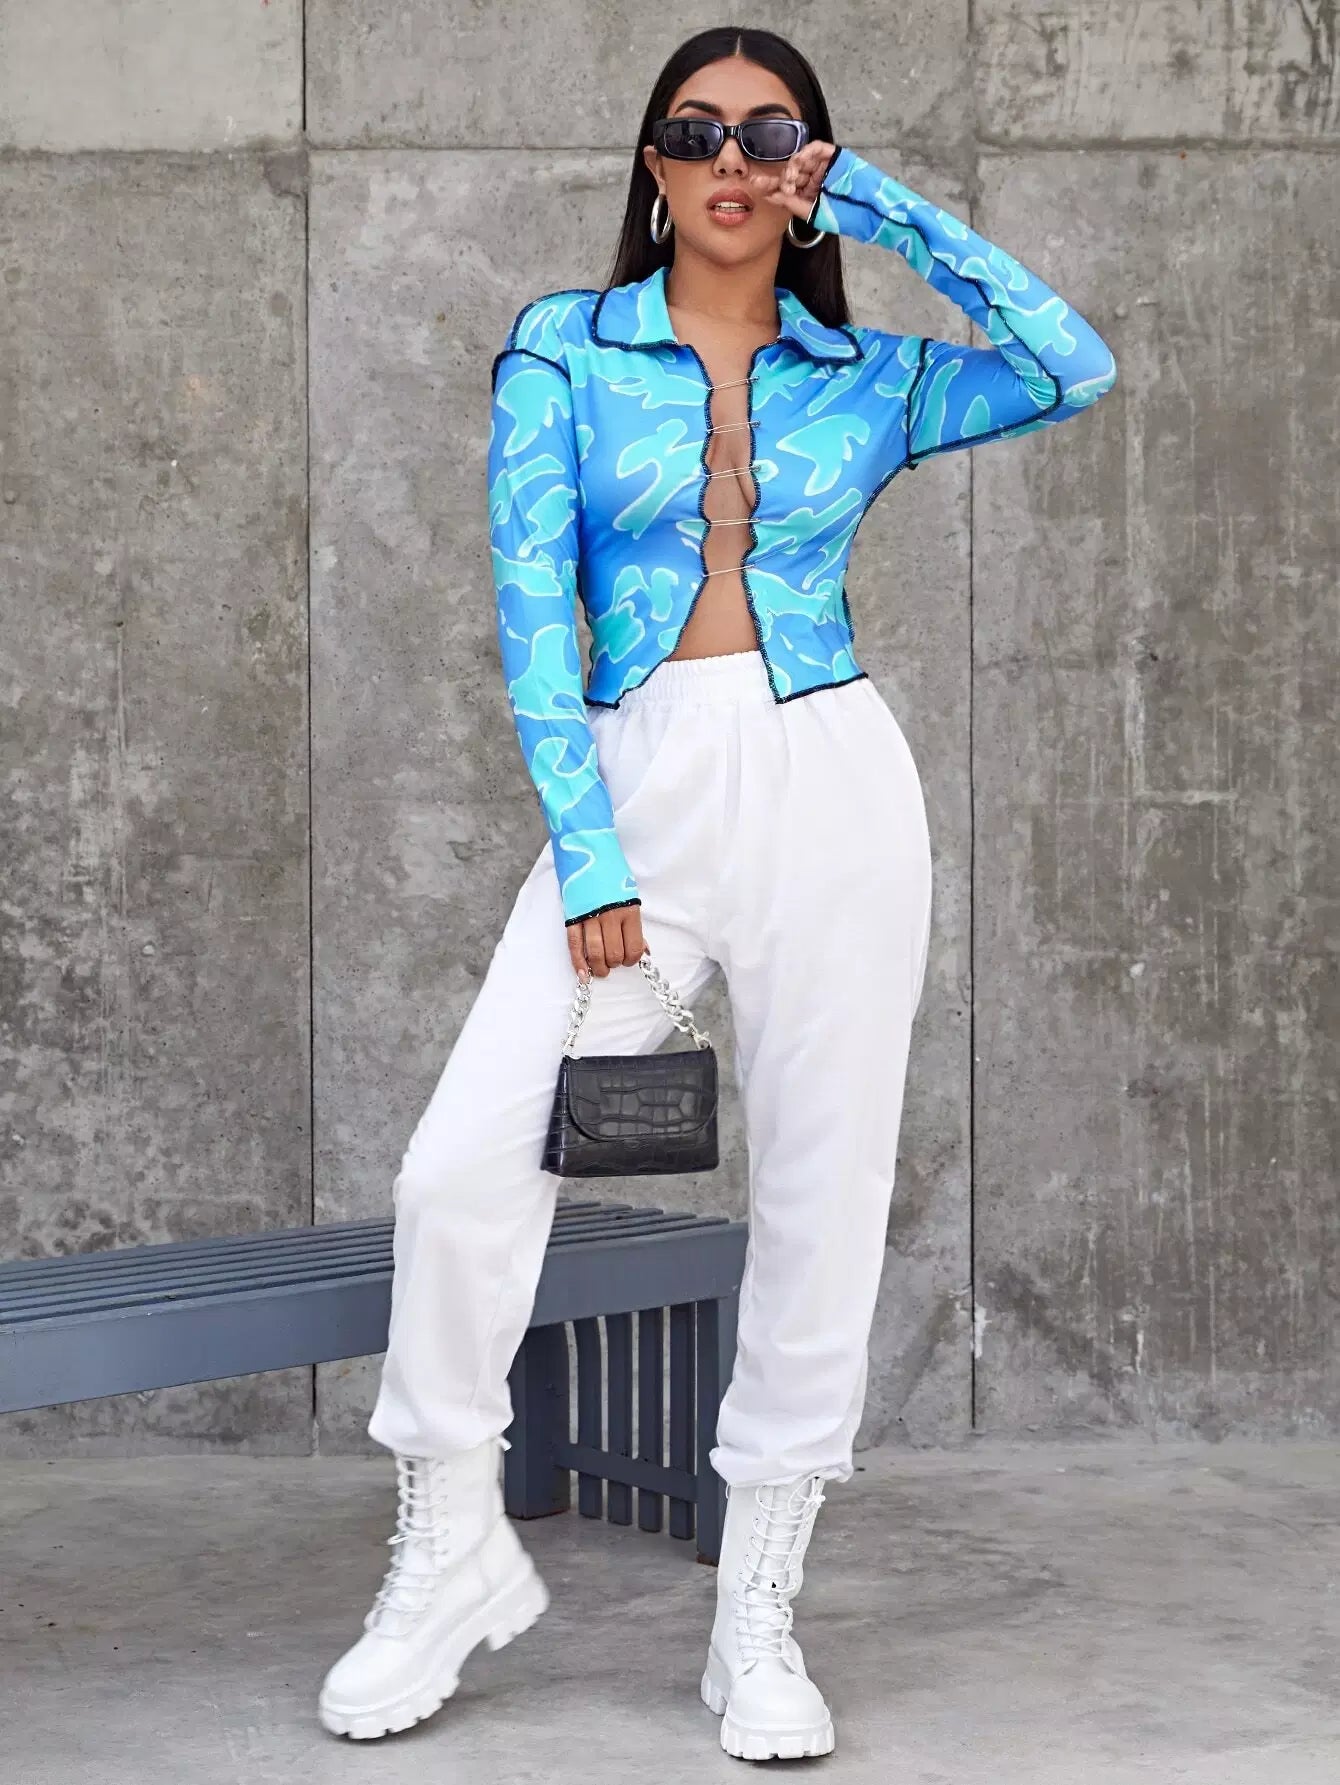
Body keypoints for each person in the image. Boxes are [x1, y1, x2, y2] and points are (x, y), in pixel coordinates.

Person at [318, 24, 1117, 1763]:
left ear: (806, 167)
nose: (733, 161)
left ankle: (757, 1611)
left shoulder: (869, 375)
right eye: (697, 132)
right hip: (639, 777)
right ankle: (447, 1553)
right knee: (460, 1169)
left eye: (773, 136)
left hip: (834, 783)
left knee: (825, 1193)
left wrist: (878, 202)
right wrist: (590, 850)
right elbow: (532, 615)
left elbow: (1075, 366)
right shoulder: (565, 348)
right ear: (654, 165)